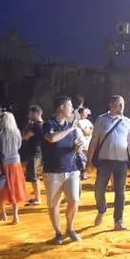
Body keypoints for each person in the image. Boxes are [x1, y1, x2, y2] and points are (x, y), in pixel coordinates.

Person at [88, 95, 130, 231]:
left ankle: (118, 220)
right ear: (111, 104)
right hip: (105, 161)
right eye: (118, 104)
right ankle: (102, 209)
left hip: (121, 162)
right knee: (99, 190)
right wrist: (89, 161)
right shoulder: (101, 119)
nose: (121, 107)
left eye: (122, 104)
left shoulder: (127, 122)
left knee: (120, 192)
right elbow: (94, 141)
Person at [42, 96, 85, 244]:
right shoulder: (48, 124)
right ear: (61, 107)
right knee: (54, 203)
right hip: (53, 171)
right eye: (70, 106)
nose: (72, 109)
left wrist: (77, 147)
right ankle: (58, 233)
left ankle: (70, 228)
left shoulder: (71, 127)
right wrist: (71, 128)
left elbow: (74, 146)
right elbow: (52, 138)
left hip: (71, 169)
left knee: (74, 199)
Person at [0, 111, 28, 225]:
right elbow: (19, 146)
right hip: (16, 162)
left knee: (1, 188)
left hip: (3, 163)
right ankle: (15, 216)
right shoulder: (16, 131)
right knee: (15, 188)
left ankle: (3, 214)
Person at [21, 105, 45, 205]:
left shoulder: (35, 125)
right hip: (38, 152)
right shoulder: (43, 124)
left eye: (31, 113)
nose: (29, 115)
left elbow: (25, 137)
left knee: (34, 176)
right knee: (34, 175)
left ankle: (38, 198)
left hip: (34, 153)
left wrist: (26, 127)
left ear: (35, 113)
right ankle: (36, 197)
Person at [77, 107, 94, 180]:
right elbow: (86, 132)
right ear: (80, 113)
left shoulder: (87, 121)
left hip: (88, 143)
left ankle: (85, 173)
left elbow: (93, 127)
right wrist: (89, 130)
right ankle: (83, 174)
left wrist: (90, 130)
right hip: (83, 143)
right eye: (84, 112)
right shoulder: (78, 122)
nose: (86, 114)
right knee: (82, 159)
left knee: (87, 159)